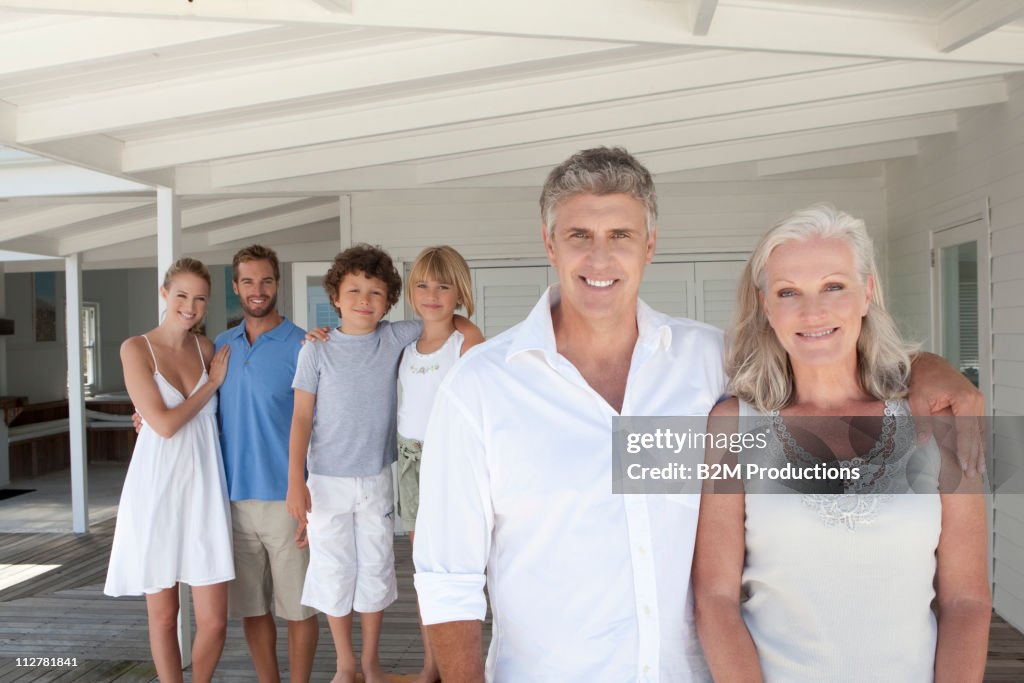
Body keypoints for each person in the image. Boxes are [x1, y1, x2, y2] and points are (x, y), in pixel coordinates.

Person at [411, 147, 986, 683]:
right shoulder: (481, 387)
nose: (600, 257)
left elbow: (818, 348)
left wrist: (934, 369)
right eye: (579, 235)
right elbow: (447, 580)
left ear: (650, 245)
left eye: (621, 235)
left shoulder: (708, 361)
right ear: (549, 243)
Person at [692, 205, 991, 682]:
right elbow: (715, 598)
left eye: (834, 286)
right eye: (789, 292)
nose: (813, 312)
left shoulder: (940, 423)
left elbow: (967, 600)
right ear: (766, 306)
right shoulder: (732, 428)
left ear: (867, 292)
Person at [286, 244, 481, 683]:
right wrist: (294, 482)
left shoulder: (394, 336)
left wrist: (472, 329)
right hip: (325, 479)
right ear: (334, 296)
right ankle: (345, 665)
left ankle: (371, 665)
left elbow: (443, 319)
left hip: (377, 476)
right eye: (353, 291)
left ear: (389, 301)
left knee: (374, 569)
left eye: (375, 293)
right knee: (334, 570)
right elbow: (300, 418)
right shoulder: (315, 351)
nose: (363, 301)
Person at [105, 257, 233, 683]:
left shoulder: (209, 349)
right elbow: (162, 424)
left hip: (203, 489)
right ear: (164, 294)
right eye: (181, 295)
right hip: (156, 489)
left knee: (214, 620)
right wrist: (210, 386)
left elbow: (216, 420)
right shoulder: (135, 348)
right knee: (164, 616)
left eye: (200, 298)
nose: (190, 306)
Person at [215, 245, 319, 683]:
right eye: (248, 282)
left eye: (266, 281)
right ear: (236, 286)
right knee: (251, 608)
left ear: (277, 283)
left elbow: (321, 425)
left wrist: (312, 497)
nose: (258, 291)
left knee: (298, 607)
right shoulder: (219, 346)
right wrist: (143, 413)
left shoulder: (304, 345)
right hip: (233, 500)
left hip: (288, 499)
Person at [397, 245, 480, 683]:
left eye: (443, 286)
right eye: (423, 285)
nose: (432, 294)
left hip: (451, 462)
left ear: (459, 292)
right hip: (411, 464)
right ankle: (431, 664)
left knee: (459, 564)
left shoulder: (466, 340)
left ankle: (462, 663)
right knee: (423, 569)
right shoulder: (404, 342)